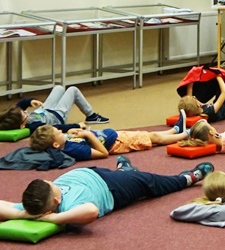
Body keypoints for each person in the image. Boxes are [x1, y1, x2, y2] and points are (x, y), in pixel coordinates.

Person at [0, 160, 214, 227]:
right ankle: (187, 178)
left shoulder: (32, 203)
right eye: (51, 184)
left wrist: (20, 214)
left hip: (93, 172)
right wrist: (55, 218)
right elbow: (92, 211)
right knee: (151, 182)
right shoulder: (68, 207)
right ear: (56, 201)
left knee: (128, 174)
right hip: (111, 187)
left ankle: (124, 170)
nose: (51, 181)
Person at [28, 122, 188, 161]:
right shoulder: (72, 150)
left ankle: (174, 130)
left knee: (146, 134)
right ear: (56, 144)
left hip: (112, 136)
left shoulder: (65, 141)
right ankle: (184, 135)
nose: (62, 132)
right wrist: (88, 135)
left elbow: (70, 136)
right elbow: (102, 153)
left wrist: (72, 132)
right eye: (59, 133)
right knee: (153, 139)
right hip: (116, 144)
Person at [0, 84, 107, 131]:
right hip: (58, 116)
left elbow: (19, 106)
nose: (26, 112)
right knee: (72, 90)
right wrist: (76, 125)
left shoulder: (18, 117)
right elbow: (56, 128)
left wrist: (30, 101)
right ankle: (91, 115)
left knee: (59, 88)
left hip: (46, 110)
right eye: (24, 114)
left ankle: (91, 115)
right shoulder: (34, 125)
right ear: (22, 125)